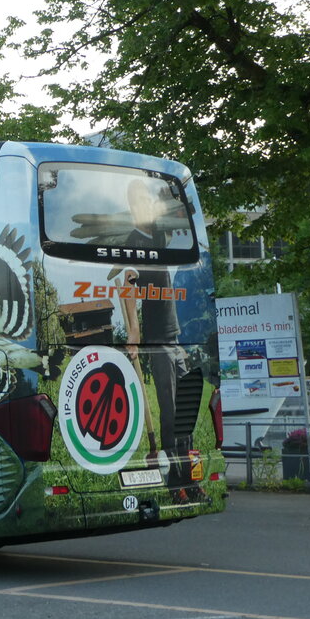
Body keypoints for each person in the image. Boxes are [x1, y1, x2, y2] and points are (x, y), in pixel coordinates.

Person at [121, 178, 188, 485]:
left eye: (145, 199)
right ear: (131, 207)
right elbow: (128, 287)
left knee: (186, 405)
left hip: (175, 335)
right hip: (158, 339)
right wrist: (134, 332)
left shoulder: (158, 233)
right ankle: (175, 478)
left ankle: (187, 472)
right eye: (136, 200)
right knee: (170, 408)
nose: (142, 204)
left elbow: (177, 215)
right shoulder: (132, 242)